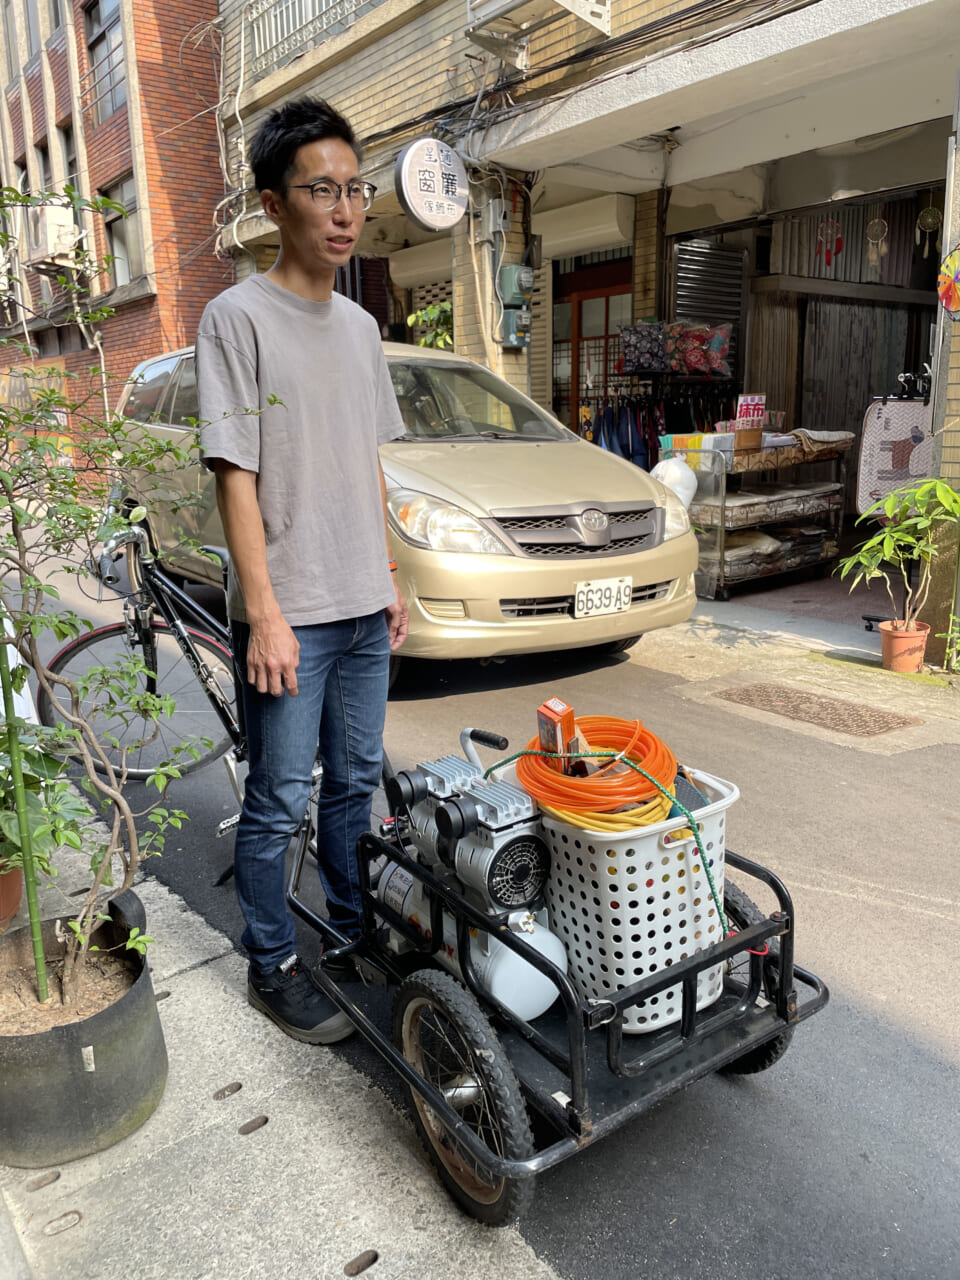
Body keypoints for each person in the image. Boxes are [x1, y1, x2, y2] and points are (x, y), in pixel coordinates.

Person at [196, 97, 408, 1045]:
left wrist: (391, 574)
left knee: (355, 785)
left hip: (364, 604)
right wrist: (267, 615)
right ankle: (274, 963)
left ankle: (356, 935)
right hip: (292, 615)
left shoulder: (362, 330)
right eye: (320, 189)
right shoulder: (235, 317)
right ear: (274, 205)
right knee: (280, 800)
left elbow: (367, 459)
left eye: (354, 188)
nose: (345, 209)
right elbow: (234, 477)